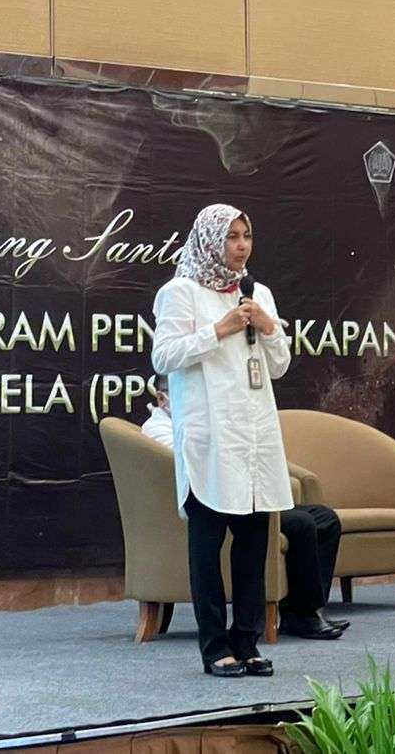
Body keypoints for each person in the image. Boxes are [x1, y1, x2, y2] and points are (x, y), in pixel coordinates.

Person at [151, 204, 292, 678]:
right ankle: (214, 647)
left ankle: (247, 642)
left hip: (254, 438)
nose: (241, 246)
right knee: (207, 551)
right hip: (209, 439)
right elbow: (163, 357)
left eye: (246, 235)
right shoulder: (180, 292)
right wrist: (219, 330)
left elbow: (279, 366)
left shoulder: (258, 292)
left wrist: (268, 328)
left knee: (252, 549)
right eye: (231, 237)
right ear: (210, 241)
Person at [141, 373, 348, 640]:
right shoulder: (158, 429)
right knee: (301, 523)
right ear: (162, 399)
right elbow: (196, 462)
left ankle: (306, 610)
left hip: (243, 494)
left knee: (325, 518)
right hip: (214, 504)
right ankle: (303, 615)